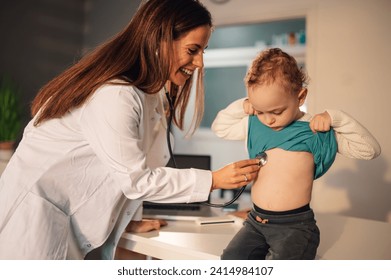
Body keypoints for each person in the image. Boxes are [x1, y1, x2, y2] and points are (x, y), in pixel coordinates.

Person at [0, 0, 260, 260]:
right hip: (32, 221)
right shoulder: (116, 95)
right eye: (193, 50)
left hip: (62, 220)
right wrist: (214, 180)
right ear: (159, 40)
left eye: (203, 51)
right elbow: (137, 179)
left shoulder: (148, 96)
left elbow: (123, 170)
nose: (200, 63)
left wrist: (126, 220)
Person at [211, 48, 381, 260]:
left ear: (300, 97)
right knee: (229, 262)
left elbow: (369, 150)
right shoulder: (255, 125)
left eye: (276, 111)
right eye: (260, 110)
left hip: (294, 226)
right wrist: (242, 107)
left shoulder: (315, 130)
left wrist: (336, 118)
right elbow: (220, 127)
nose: (268, 120)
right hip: (256, 221)